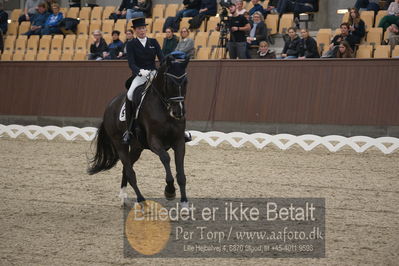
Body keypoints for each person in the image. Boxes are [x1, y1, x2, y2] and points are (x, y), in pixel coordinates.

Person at [124, 17, 164, 143]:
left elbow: (162, 59)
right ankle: (129, 129)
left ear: (146, 29)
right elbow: (131, 63)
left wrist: (162, 70)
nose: (142, 30)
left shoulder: (153, 42)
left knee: (168, 91)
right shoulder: (131, 44)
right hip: (140, 75)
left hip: (153, 73)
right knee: (130, 94)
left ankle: (178, 128)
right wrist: (139, 71)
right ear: (135, 31)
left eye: (143, 28)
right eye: (139, 29)